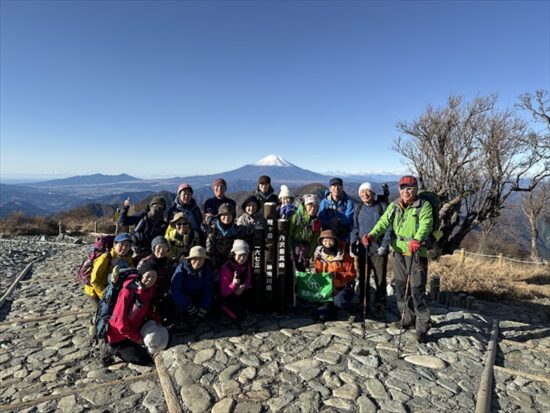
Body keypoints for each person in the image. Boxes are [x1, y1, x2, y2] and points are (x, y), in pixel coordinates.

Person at [364, 175, 433, 343]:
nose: (406, 192)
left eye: (409, 188)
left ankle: (423, 326)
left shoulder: (424, 206)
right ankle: (407, 318)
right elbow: (383, 222)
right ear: (399, 189)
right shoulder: (395, 205)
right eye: (403, 188)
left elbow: (426, 224)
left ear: (415, 189)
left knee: (417, 289)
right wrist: (372, 235)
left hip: (416, 252)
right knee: (401, 288)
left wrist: (417, 239)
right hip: (398, 252)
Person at [106, 268, 168, 365]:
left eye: (154, 277)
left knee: (158, 341)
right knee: (143, 358)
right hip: (118, 335)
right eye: (148, 276)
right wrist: (137, 339)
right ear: (141, 275)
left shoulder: (149, 289)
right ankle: (111, 349)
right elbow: (120, 324)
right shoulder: (127, 292)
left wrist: (157, 320)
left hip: (135, 327)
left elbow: (148, 308)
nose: (150, 279)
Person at [350, 182, 391, 317]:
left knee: (380, 278)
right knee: (363, 278)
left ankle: (380, 303)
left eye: (368, 191)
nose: (365, 194)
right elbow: (355, 228)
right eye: (362, 192)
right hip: (363, 250)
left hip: (378, 249)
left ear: (373, 193)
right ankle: (364, 302)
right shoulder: (358, 208)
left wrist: (384, 245)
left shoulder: (382, 207)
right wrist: (353, 242)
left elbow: (388, 227)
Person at [313, 229, 356, 321]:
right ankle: (332, 308)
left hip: (342, 288)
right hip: (327, 289)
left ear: (335, 241)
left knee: (339, 302)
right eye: (325, 241)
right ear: (321, 242)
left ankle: (352, 312)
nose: (328, 243)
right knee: (322, 316)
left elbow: (352, 274)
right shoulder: (319, 257)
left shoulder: (344, 256)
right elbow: (317, 273)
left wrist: (338, 275)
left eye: (330, 240)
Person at [85, 232, 134, 310]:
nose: (124, 248)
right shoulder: (105, 258)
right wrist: (104, 296)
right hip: (95, 290)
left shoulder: (127, 257)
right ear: (114, 244)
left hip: (111, 288)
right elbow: (94, 280)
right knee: (102, 312)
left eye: (127, 245)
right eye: (121, 244)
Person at [170, 246, 214, 329]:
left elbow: (208, 289)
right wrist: (188, 305)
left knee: (208, 308)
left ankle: (195, 318)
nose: (198, 262)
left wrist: (204, 306)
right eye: (195, 258)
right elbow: (175, 290)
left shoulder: (206, 270)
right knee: (179, 307)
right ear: (190, 259)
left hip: (197, 297)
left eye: (201, 259)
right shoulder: (181, 269)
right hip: (184, 298)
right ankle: (179, 321)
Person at [137, 236, 176, 326]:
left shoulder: (169, 262)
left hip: (162, 292)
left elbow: (170, 278)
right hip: (145, 291)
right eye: (158, 248)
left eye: (164, 248)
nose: (161, 251)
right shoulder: (144, 262)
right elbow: (137, 278)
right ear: (153, 248)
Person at [118, 196, 169, 262]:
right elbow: (122, 222)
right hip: (135, 251)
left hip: (151, 255)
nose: (157, 209)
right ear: (150, 207)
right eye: (155, 206)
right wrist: (126, 207)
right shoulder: (142, 217)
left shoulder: (163, 224)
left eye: (161, 207)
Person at [219, 239, 253, 321]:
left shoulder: (247, 264)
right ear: (233, 254)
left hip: (241, 292)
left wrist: (243, 286)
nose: (242, 258)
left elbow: (248, 278)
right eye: (239, 255)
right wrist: (233, 284)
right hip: (229, 296)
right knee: (238, 317)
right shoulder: (226, 267)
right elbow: (224, 292)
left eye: (244, 255)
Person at [206, 203, 243, 272]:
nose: (227, 217)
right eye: (224, 214)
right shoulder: (213, 230)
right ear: (219, 216)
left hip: (233, 265)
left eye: (229, 215)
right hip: (215, 265)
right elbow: (209, 251)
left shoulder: (237, 230)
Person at [289, 194, 321, 272]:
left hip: (305, 249)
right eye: (310, 205)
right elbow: (289, 235)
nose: (313, 208)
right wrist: (291, 252)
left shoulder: (316, 221)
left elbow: (314, 240)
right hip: (293, 247)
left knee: (302, 270)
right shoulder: (296, 217)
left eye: (315, 206)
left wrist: (309, 255)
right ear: (305, 206)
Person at [319, 177, 355, 242]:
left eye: (339, 185)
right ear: (330, 188)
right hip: (328, 235)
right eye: (334, 186)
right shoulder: (324, 202)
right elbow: (321, 218)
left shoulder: (348, 202)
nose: (336, 188)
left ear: (342, 188)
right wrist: (330, 223)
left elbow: (349, 218)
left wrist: (337, 221)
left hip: (343, 235)